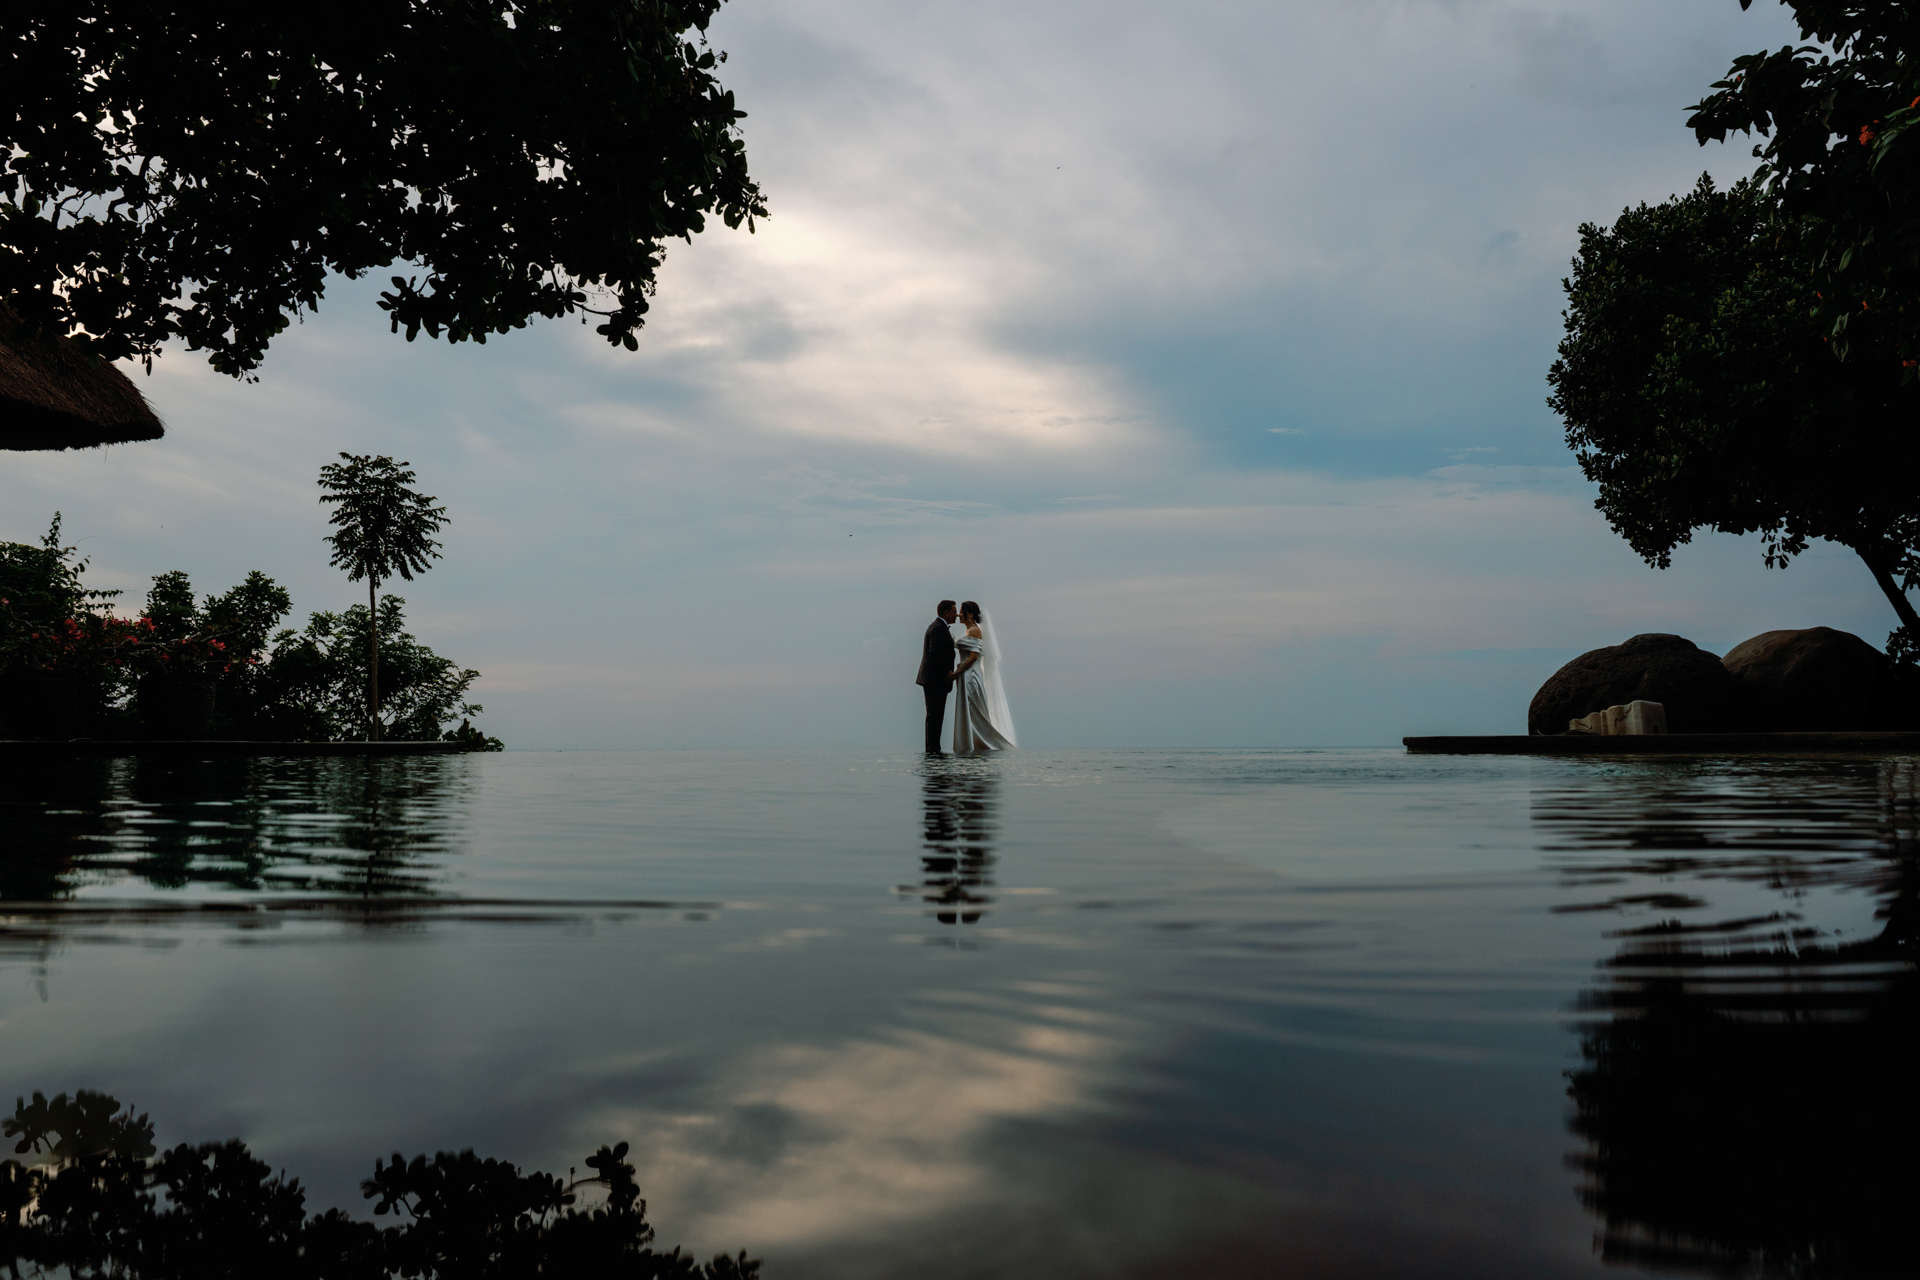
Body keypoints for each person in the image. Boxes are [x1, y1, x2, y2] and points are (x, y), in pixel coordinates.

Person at [950, 600, 1016, 752]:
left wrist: (956, 673)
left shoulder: (974, 630)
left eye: (961, 611)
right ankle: (972, 742)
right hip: (966, 674)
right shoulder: (969, 631)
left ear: (970, 614)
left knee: (974, 710)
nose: (959, 615)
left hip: (970, 675)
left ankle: (982, 742)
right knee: (971, 710)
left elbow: (973, 657)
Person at [915, 599, 959, 752]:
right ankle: (933, 749)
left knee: (934, 716)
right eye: (954, 611)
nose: (957, 615)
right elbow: (936, 652)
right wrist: (947, 671)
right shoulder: (939, 628)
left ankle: (933, 747)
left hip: (932, 679)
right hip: (935, 680)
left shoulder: (935, 627)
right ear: (946, 613)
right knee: (935, 716)